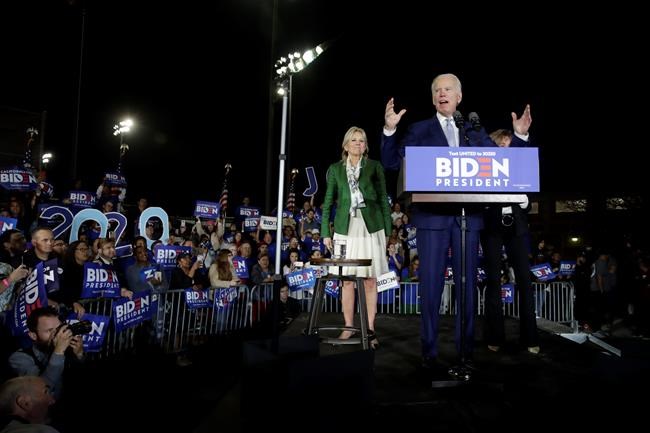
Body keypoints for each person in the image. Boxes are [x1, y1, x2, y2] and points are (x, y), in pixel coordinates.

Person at [381, 73, 532, 367]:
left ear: (459, 96)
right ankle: (430, 353)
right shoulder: (419, 129)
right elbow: (391, 163)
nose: (442, 93)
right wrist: (389, 130)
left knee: (466, 288)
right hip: (432, 220)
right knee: (431, 288)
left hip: (468, 220)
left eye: (448, 89)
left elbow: (506, 167)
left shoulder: (474, 132)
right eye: (437, 89)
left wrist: (521, 138)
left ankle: (465, 353)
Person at [321, 126, 392, 350]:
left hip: (372, 227)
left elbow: (383, 199)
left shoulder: (374, 167)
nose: (358, 144)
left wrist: (388, 231)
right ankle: (349, 326)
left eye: (361, 141)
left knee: (370, 280)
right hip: (345, 228)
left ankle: (369, 330)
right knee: (348, 281)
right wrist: (325, 232)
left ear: (366, 145)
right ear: (345, 145)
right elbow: (329, 201)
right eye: (353, 140)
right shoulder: (335, 170)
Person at [481, 128, 539, 354]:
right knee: (494, 281)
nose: (505, 149)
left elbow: (529, 202)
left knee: (525, 280)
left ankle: (531, 338)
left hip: (517, 229)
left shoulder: (521, 170)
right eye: (501, 145)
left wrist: (524, 201)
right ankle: (494, 336)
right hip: (492, 228)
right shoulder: (485, 170)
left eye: (508, 145)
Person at [8, 307, 84, 401]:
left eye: (58, 328)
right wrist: (58, 351)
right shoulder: (19, 358)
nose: (56, 334)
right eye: (49, 331)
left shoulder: (67, 348)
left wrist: (79, 355)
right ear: (33, 335)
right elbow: (42, 389)